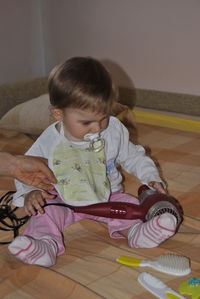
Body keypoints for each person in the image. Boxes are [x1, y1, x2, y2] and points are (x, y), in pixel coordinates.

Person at [8, 57, 177, 267]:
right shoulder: (49, 141)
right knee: (44, 213)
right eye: (86, 122)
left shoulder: (113, 130)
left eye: (104, 117)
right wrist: (29, 193)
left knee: (130, 205)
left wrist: (151, 177)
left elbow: (133, 156)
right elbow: (25, 170)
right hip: (63, 199)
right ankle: (45, 246)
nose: (97, 128)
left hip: (108, 196)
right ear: (58, 113)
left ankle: (137, 233)